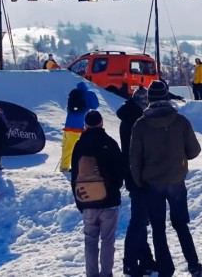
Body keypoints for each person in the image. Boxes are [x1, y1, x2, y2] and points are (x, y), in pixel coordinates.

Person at [130, 80, 202, 277]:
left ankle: (165, 270)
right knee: (181, 226)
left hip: (152, 184)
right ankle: (194, 267)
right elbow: (194, 151)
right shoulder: (181, 121)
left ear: (149, 99)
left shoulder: (141, 125)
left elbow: (134, 160)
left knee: (158, 229)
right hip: (176, 181)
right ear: (166, 97)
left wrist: (140, 182)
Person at [70, 110, 124, 277]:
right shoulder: (109, 142)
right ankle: (106, 274)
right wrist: (114, 189)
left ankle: (91, 274)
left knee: (90, 241)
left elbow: (74, 175)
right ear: (101, 123)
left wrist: (79, 201)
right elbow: (120, 170)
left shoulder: (79, 145)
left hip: (87, 199)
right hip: (109, 200)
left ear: (85, 125)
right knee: (107, 240)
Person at [116, 87, 157, 277]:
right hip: (139, 175)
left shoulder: (128, 116)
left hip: (133, 174)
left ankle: (146, 260)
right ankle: (130, 263)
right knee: (138, 221)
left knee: (140, 221)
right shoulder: (137, 120)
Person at [60, 81, 100, 172]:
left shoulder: (73, 94)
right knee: (81, 148)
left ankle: (65, 166)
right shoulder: (89, 94)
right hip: (80, 126)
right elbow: (95, 106)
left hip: (68, 125)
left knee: (67, 147)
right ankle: (78, 167)